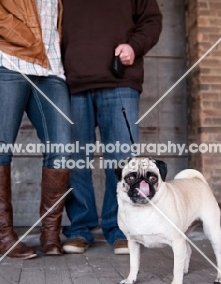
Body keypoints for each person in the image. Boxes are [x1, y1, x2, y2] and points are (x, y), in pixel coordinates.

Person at [0, 0, 71, 258]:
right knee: (0, 146)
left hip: (50, 68)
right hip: (4, 60)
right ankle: (2, 236)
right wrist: (23, 35)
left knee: (62, 148)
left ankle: (50, 233)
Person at [61, 0, 162, 254]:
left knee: (121, 162)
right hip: (72, 83)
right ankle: (79, 228)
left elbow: (152, 20)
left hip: (120, 82)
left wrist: (134, 46)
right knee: (75, 161)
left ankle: (120, 229)